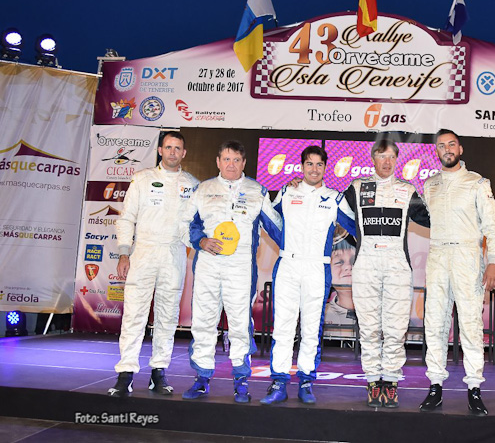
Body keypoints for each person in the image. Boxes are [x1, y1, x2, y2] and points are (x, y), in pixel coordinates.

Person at [179, 140, 282, 402]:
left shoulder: (257, 191)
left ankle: (241, 379)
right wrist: (201, 241)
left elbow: (277, 227)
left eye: (236, 160)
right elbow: (185, 223)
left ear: (244, 163)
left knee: (240, 323)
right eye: (226, 159)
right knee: (203, 320)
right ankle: (202, 377)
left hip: (241, 266)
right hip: (208, 263)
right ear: (218, 162)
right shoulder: (203, 189)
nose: (231, 165)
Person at [418, 129, 495, 416]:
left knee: (470, 325)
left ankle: (474, 389)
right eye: (441, 146)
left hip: (468, 256)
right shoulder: (429, 185)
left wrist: (494, 261)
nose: (447, 149)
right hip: (438, 256)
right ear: (437, 151)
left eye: (451, 144)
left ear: (460, 149)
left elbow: (493, 227)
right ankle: (435, 387)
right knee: (434, 323)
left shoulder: (477, 183)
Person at [259, 146, 356, 405]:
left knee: (312, 328)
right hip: (288, 265)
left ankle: (305, 381)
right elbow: (269, 218)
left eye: (319, 164)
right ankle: (279, 382)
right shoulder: (287, 192)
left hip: (317, 268)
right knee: (283, 327)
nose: (314, 169)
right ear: (301, 167)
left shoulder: (334, 198)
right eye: (309, 164)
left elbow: (357, 226)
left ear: (325, 168)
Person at [108, 131, 199, 397]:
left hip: (174, 253)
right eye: (168, 147)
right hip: (143, 252)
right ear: (160, 150)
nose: (172, 152)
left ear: (184, 153)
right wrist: (124, 252)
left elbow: (197, 225)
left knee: (167, 316)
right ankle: (126, 373)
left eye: (177, 148)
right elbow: (127, 218)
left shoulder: (192, 184)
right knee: (134, 314)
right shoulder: (142, 178)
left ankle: (159, 372)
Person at [344, 138, 430, 408]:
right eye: (382, 156)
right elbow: (331, 208)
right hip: (366, 264)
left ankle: (390, 382)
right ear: (373, 159)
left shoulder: (407, 190)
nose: (387, 162)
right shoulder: (357, 188)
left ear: (396, 160)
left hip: (397, 266)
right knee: (369, 327)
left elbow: (432, 218)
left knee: (395, 328)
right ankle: (372, 381)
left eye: (392, 157)